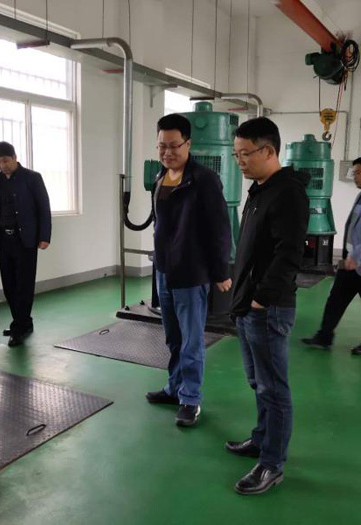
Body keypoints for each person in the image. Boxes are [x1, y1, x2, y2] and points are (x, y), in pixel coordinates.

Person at [226, 117, 309, 495]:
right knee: (257, 382)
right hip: (248, 304)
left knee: (273, 389)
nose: (239, 161)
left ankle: (272, 464)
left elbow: (289, 255)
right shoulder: (259, 190)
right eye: (236, 154)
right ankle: (261, 440)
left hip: (267, 308)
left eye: (245, 154)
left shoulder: (288, 192)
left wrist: (261, 299)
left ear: (269, 151)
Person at [145, 113, 232, 427]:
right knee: (173, 338)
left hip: (191, 273)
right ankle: (174, 388)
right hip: (164, 271)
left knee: (192, 341)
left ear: (188, 144)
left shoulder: (203, 179)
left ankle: (190, 398)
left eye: (174, 146)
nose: (167, 152)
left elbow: (219, 228)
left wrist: (220, 272)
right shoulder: (161, 177)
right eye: (162, 146)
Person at [302, 156, 361, 355]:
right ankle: (324, 336)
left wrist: (357, 256)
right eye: (354, 172)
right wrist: (348, 255)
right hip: (351, 259)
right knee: (336, 298)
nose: (354, 176)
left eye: (358, 172)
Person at [0, 141, 52, 347]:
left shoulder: (32, 178)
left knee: (24, 285)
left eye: (5, 161)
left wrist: (45, 236)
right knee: (9, 285)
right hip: (4, 240)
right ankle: (23, 322)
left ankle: (18, 328)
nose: (2, 165)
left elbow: (43, 208)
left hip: (26, 240)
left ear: (15, 157)